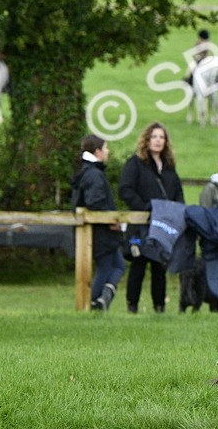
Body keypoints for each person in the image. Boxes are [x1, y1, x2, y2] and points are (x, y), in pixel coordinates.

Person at [119, 122, 184, 313]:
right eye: (154, 136)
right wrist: (145, 207)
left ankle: (159, 308)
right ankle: (132, 306)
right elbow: (125, 190)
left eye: (161, 137)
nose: (158, 140)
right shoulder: (135, 163)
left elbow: (178, 193)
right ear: (146, 140)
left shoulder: (169, 167)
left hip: (162, 225)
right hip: (141, 224)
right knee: (138, 264)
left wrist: (177, 212)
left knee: (159, 265)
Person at [70, 134, 126, 311]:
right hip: (100, 231)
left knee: (118, 265)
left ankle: (103, 297)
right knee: (106, 267)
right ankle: (94, 302)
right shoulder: (94, 174)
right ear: (97, 151)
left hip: (102, 230)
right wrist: (109, 221)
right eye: (106, 148)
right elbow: (95, 203)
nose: (108, 152)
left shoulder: (90, 172)